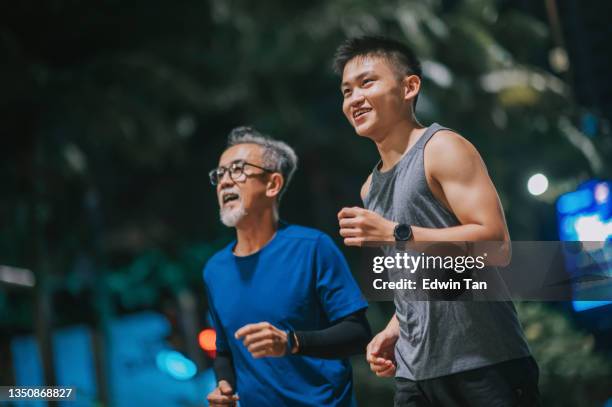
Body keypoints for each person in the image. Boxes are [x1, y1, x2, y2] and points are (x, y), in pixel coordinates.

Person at [333, 36, 540, 406]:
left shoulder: (443, 148)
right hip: (415, 377)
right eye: (347, 91)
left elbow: (497, 246)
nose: (354, 99)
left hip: (485, 364)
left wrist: (395, 232)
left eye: (367, 82)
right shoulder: (370, 188)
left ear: (409, 86)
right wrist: (395, 328)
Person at [203, 126, 371, 407]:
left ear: (273, 184)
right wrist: (224, 387)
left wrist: (292, 342)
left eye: (238, 170)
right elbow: (225, 352)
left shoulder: (312, 247)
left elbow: (357, 334)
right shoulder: (215, 270)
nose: (225, 182)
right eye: (219, 174)